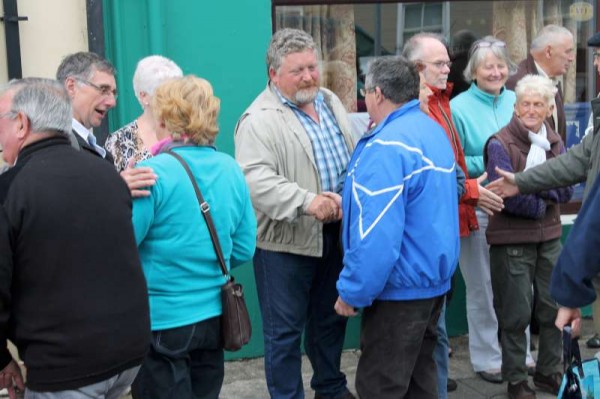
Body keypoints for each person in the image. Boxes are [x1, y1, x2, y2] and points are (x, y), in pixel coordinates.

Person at [0, 78, 150, 399]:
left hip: (67, 367)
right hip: (128, 353)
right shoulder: (106, 173)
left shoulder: (11, 189)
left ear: (23, 124)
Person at [235, 28, 356, 399]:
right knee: (284, 334)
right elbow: (255, 181)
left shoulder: (330, 100)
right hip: (285, 244)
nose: (308, 76)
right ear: (273, 74)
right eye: (297, 71)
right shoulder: (258, 119)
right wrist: (306, 201)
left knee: (330, 320)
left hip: (334, 234)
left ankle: (330, 387)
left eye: (311, 67)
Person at [334, 55, 459, 398]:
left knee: (381, 387)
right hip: (431, 284)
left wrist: (352, 291)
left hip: (399, 290)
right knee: (421, 382)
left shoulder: (388, 145)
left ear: (375, 93)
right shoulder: (432, 131)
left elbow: (376, 233)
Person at [129, 75, 256, 399]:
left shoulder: (150, 173)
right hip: (215, 316)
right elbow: (244, 246)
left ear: (165, 117)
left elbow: (123, 245)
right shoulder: (230, 168)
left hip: (162, 318)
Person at [402, 32, 504, 398]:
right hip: (427, 231)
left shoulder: (442, 102)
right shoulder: (414, 109)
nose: (450, 69)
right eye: (441, 64)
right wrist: (474, 189)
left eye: (448, 62)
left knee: (438, 326)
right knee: (431, 326)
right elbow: (434, 173)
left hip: (453, 219)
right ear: (417, 69)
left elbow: (453, 165)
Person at [487, 31, 600, 349]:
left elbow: (580, 204)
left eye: (599, 56)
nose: (593, 63)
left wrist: (570, 289)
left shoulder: (554, 137)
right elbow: (575, 163)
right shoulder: (501, 141)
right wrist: (520, 182)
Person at [484, 75, 572, 399]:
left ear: (550, 108)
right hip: (512, 243)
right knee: (515, 316)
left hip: (549, 238)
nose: (532, 110)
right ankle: (517, 379)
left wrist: (528, 183)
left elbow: (567, 188)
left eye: (539, 104)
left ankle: (550, 373)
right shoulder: (500, 143)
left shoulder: (555, 141)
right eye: (526, 104)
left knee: (552, 309)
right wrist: (542, 197)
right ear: (516, 107)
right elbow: (509, 198)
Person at [450, 36, 524, 384]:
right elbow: (457, 161)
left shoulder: (518, 100)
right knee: (481, 286)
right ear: (473, 72)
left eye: (500, 65)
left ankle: (520, 355)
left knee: (516, 286)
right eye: (487, 66)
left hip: (518, 206)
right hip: (477, 204)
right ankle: (486, 358)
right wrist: (498, 158)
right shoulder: (458, 107)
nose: (495, 72)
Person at [56, 51, 157, 197]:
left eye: (113, 93)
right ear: (71, 86)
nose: (112, 102)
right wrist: (117, 187)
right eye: (103, 90)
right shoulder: (56, 143)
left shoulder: (86, 145)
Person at [105, 55, 183, 172]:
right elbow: (109, 186)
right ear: (144, 96)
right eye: (167, 93)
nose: (176, 99)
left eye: (179, 92)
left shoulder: (188, 132)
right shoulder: (119, 142)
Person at [505, 25, 575, 143]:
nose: (572, 58)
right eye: (568, 52)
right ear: (548, 52)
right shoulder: (518, 84)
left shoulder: (552, 79)